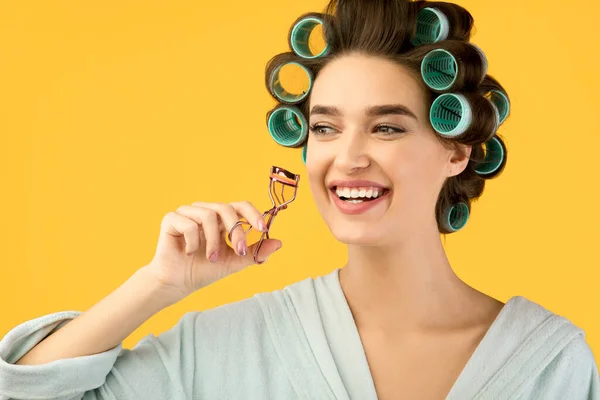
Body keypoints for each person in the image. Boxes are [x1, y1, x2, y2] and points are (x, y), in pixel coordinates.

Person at [1, 0, 598, 399]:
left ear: (456, 152)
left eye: (387, 127)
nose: (349, 156)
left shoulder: (550, 362)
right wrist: (158, 284)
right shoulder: (227, 347)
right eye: (326, 127)